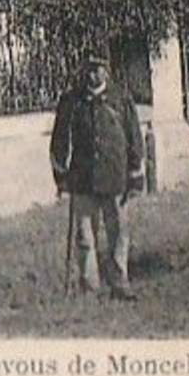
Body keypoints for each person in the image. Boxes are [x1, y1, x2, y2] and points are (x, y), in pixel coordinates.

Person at [49, 54, 146, 300]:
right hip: (82, 179)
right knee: (84, 236)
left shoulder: (121, 99)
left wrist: (136, 176)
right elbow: (59, 141)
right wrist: (61, 176)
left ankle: (119, 282)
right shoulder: (72, 101)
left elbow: (134, 138)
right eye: (90, 70)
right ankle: (89, 286)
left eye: (99, 69)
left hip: (115, 177)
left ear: (107, 71)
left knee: (118, 232)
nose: (94, 75)